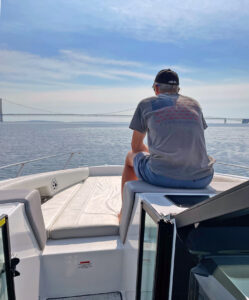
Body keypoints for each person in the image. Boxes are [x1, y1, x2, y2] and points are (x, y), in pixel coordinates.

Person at [121, 69, 215, 203]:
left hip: (161, 176)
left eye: (154, 88)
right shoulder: (195, 105)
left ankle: (123, 210)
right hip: (202, 178)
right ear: (178, 89)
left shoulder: (145, 104)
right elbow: (188, 141)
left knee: (130, 156)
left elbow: (136, 146)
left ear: (157, 88)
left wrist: (153, 154)